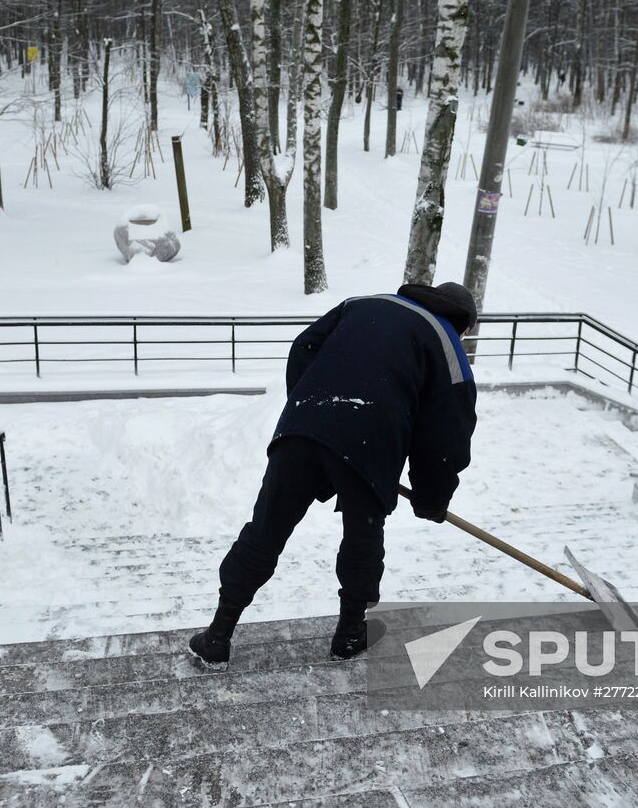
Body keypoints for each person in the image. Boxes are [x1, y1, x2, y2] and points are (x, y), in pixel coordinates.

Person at [189, 282, 479, 669]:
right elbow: (448, 434)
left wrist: (315, 409)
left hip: (302, 427)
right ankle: (348, 636)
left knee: (265, 531)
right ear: (462, 324)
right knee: (362, 537)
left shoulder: (361, 304)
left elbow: (304, 346)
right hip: (370, 441)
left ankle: (217, 636)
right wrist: (432, 495)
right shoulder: (447, 341)